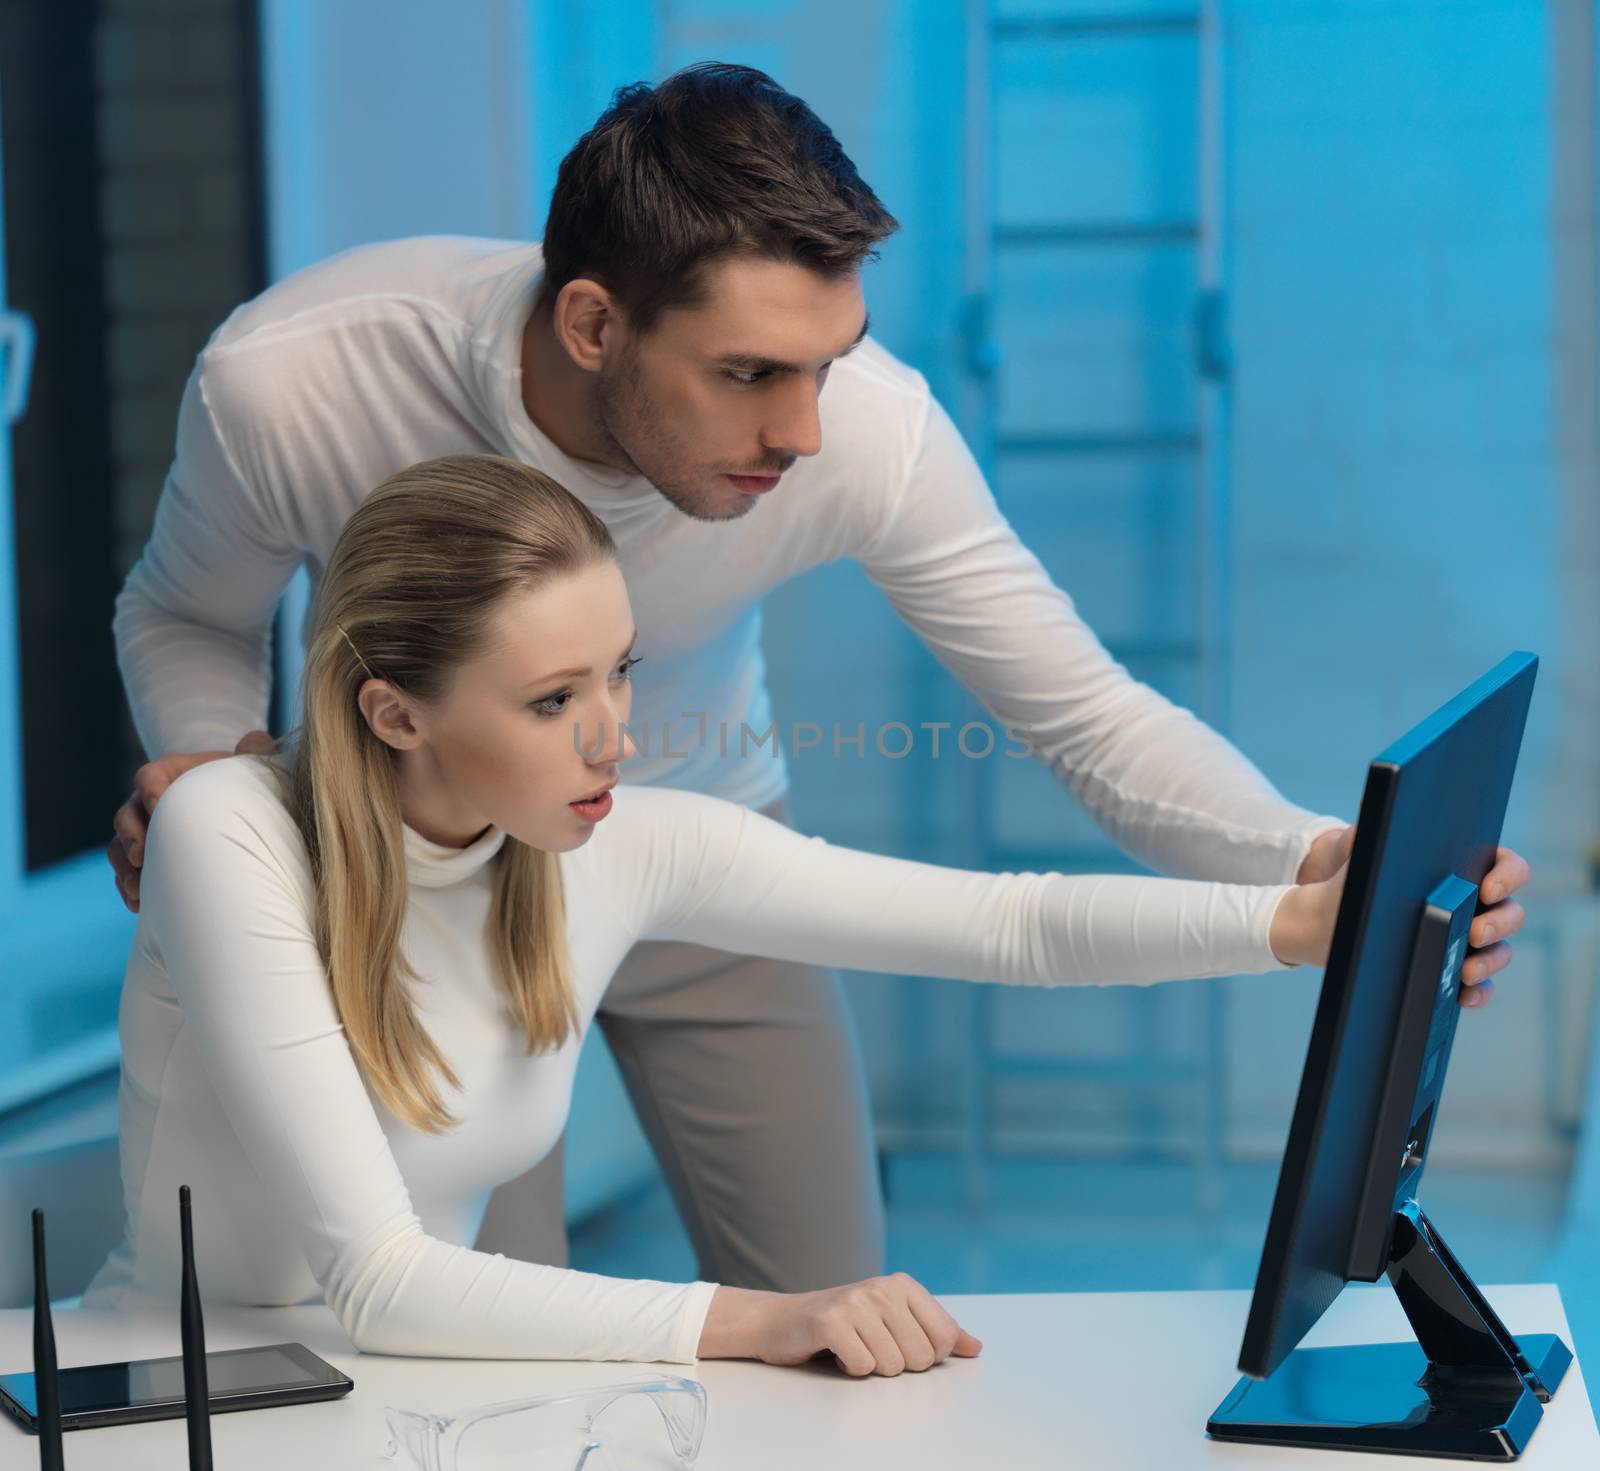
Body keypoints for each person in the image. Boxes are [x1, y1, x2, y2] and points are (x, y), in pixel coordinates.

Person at [104, 62, 1529, 1296]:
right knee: (483, 1342)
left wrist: (1320, 867)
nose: (801, 429)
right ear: (596, 326)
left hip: (707, 844)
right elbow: (181, 614)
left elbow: (1086, 720)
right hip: (429, 885)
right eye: (749, 374)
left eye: (830, 362)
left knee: (847, 1320)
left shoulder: (864, 435)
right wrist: (229, 795)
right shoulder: (297, 384)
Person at [89, 453, 1392, 1374]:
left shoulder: (600, 846)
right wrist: (767, 1318)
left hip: (413, 1398)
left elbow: (1008, 925)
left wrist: (1290, 927)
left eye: (620, 673)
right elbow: (375, 1282)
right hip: (179, 1408)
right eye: (553, 701)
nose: (614, 735)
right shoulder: (231, 835)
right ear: (394, 713)